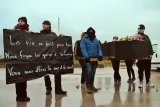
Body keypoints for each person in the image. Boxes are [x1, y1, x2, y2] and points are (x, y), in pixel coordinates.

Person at [40, 20, 67, 95]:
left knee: (57, 72)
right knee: (46, 73)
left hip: (53, 56)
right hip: (45, 57)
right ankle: (48, 88)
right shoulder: (40, 34)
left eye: (45, 24)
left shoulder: (53, 34)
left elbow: (57, 44)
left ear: (49, 25)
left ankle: (58, 89)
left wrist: (61, 37)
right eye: (43, 24)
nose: (43, 25)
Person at [80, 27, 103, 94]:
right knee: (88, 73)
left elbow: (99, 49)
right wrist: (86, 56)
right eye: (89, 32)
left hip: (95, 60)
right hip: (88, 60)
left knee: (93, 73)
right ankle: (88, 87)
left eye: (92, 32)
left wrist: (100, 55)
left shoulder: (96, 40)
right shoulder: (84, 40)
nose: (91, 33)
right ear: (87, 33)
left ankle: (92, 86)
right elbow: (83, 48)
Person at [14, 17, 30, 102]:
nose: (20, 22)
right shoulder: (14, 31)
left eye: (22, 21)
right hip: (17, 58)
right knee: (18, 78)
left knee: (24, 77)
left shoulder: (27, 31)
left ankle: (24, 95)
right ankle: (19, 96)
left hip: (25, 58)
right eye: (19, 21)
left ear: (25, 22)